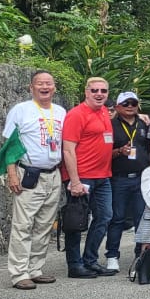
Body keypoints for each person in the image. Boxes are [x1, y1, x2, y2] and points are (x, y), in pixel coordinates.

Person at [0, 70, 67, 289]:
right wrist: (11, 173)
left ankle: (35, 268)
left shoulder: (60, 111)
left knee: (45, 225)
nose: (45, 87)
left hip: (53, 173)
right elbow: (10, 145)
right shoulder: (21, 110)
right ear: (31, 87)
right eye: (40, 83)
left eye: (49, 83)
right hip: (28, 173)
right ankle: (19, 273)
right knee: (23, 225)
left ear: (54, 88)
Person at [61, 77, 116, 279]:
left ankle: (90, 260)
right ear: (86, 92)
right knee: (76, 221)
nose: (99, 94)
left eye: (103, 90)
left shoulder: (103, 112)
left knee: (104, 217)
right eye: (94, 90)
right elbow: (68, 150)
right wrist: (74, 181)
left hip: (103, 177)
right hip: (82, 176)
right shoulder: (76, 115)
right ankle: (74, 265)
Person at [105, 91, 150, 273]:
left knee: (142, 218)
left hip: (141, 178)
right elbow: (103, 153)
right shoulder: (110, 125)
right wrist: (119, 152)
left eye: (133, 103)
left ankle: (140, 254)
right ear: (117, 107)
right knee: (117, 218)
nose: (130, 106)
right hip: (119, 178)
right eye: (126, 103)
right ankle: (112, 255)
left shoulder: (144, 124)